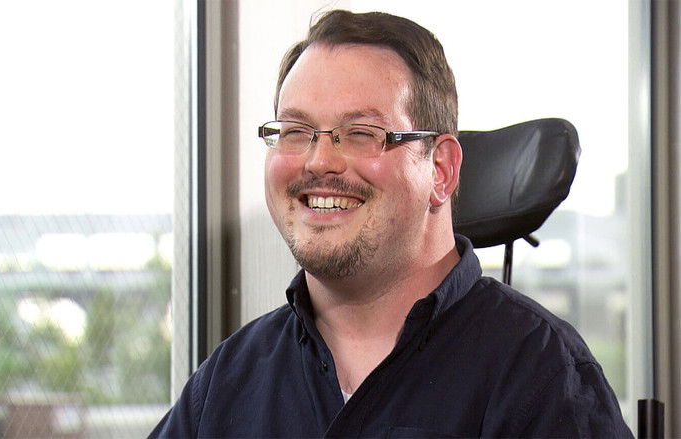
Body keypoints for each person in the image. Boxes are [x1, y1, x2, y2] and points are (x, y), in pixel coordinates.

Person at [149, 9, 632, 438]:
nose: (319, 161)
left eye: (361, 133)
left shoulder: (540, 376)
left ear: (440, 170)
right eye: (295, 132)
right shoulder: (227, 382)